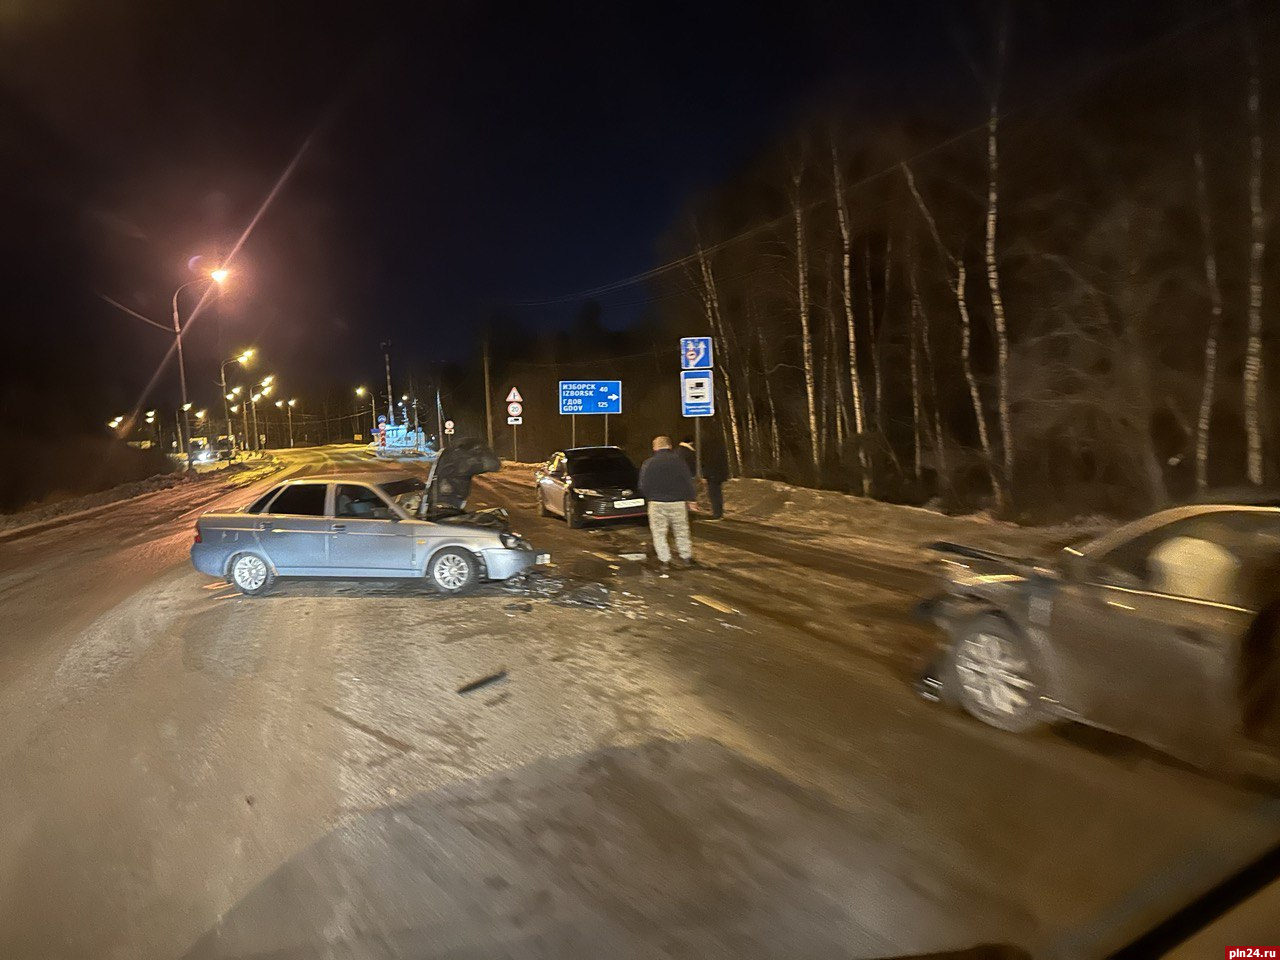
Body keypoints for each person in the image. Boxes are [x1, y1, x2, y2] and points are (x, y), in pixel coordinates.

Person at [638, 435, 698, 575]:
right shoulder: (679, 462)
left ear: (655, 448)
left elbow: (642, 485)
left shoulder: (648, 463)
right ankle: (686, 557)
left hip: (657, 503)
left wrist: (651, 497)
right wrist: (691, 499)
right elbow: (687, 481)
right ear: (670, 446)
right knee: (681, 531)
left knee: (659, 533)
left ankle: (665, 560)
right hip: (677, 503)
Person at [702, 438, 730, 520]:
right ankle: (719, 512)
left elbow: (706, 465)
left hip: (711, 476)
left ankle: (716, 513)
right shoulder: (721, 452)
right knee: (718, 494)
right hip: (719, 476)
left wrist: (705, 476)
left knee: (713, 494)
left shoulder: (708, 454)